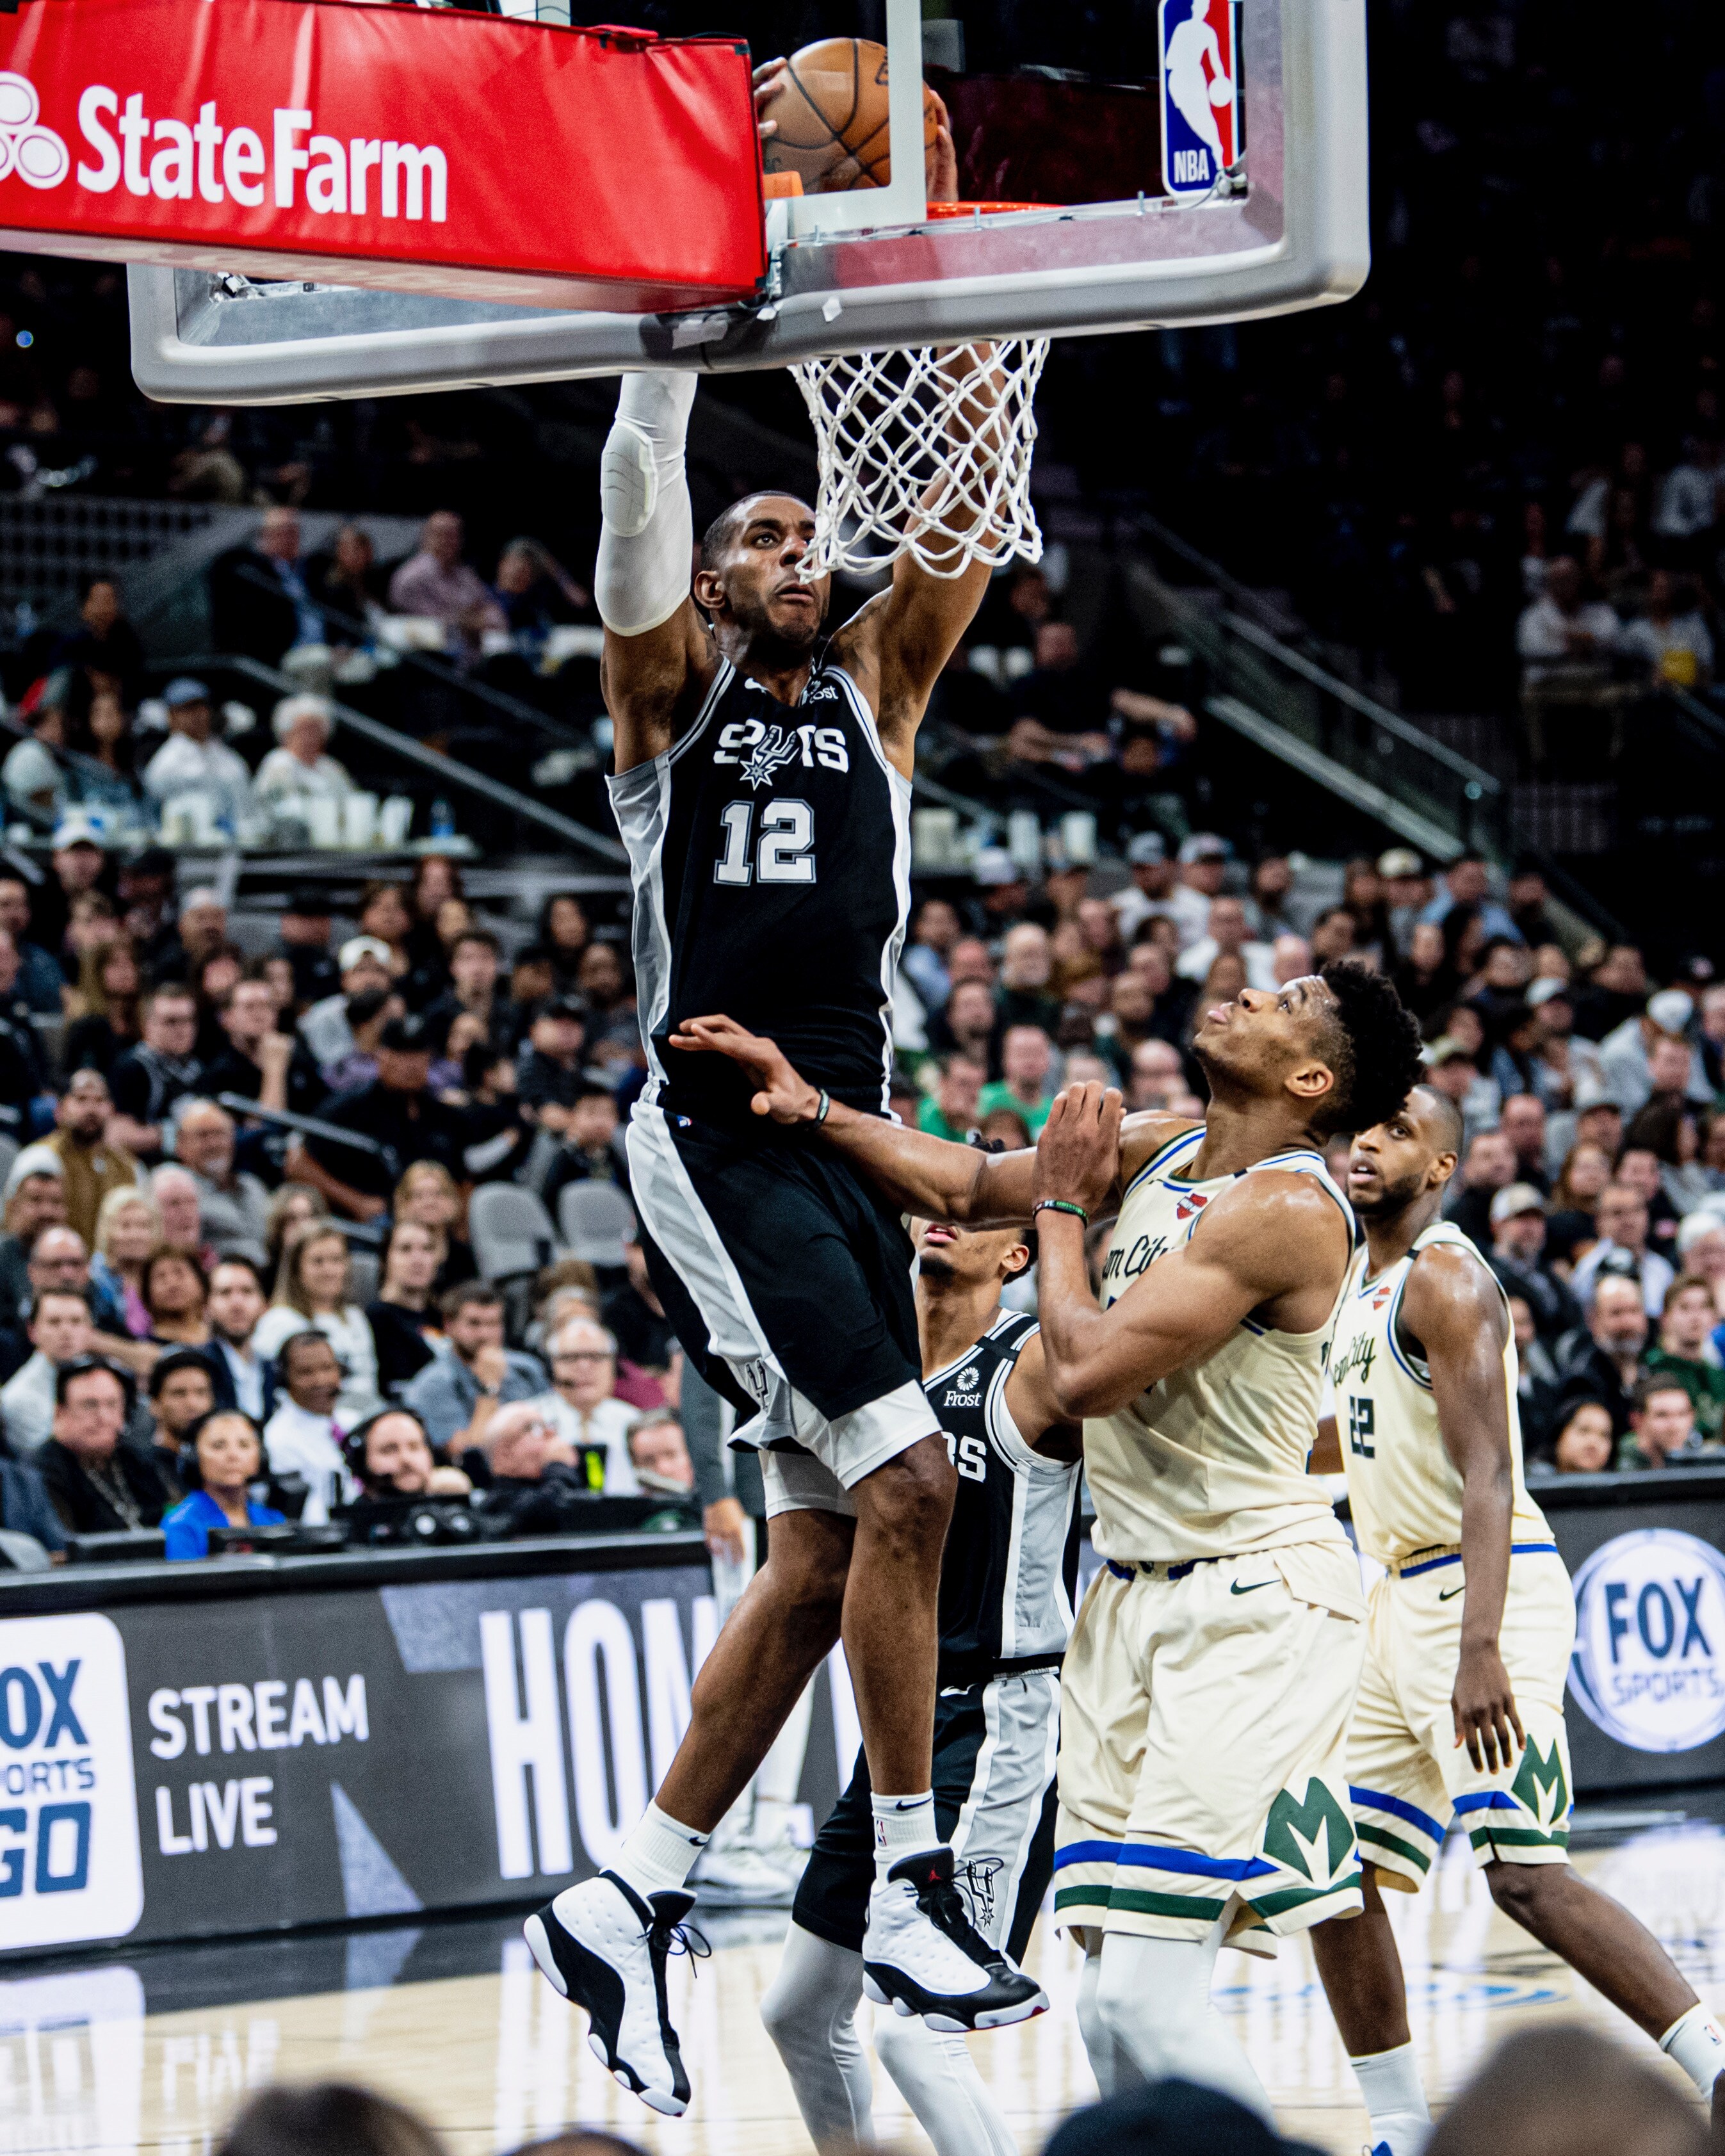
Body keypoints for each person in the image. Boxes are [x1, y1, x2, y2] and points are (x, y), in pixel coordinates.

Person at [528, 342, 1050, 2106]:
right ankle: (909, 1880)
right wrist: (656, 370)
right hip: (711, 1137)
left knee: (824, 1559)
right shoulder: (664, 701)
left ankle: (627, 1891)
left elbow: (962, 530)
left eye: (811, 532)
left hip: (843, 1145)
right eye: (762, 535)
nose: (798, 550)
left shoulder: (875, 690)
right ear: (707, 582)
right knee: (910, 1476)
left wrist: (973, 379)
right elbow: (631, 527)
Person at [680, 957, 1427, 2119]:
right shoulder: (1166, 1143)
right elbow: (969, 1181)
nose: (1243, 994)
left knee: (1143, 2004)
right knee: (1106, 2009)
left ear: (1308, 1079)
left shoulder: (1285, 1208)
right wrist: (811, 1105)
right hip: (1126, 1603)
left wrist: (1066, 1209)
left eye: (1281, 1004)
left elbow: (1081, 1372)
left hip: (1252, 1603)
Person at [1299, 1084, 1725, 2152]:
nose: (1366, 1144)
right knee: (1329, 1866)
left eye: (1396, 1131)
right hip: (1390, 1595)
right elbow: (1354, 1436)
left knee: (1523, 1875)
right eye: (1363, 1126)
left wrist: (1478, 1647)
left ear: (1441, 1166)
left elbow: (1486, 1472)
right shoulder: (1359, 1278)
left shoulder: (1444, 1276)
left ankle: (1714, 2067)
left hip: (1476, 1588)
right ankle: (1396, 2127)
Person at [761, 1213, 1080, 2156]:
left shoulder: (1035, 1360)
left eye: (980, 1208)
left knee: (915, 2029)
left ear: (1015, 1254)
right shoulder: (876, 1368)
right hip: (898, 1724)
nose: (947, 1211)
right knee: (796, 2011)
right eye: (935, 1194)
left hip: (1000, 1717)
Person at [288, 1018, 466, 1220]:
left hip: (433, 1220)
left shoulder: (444, 1114)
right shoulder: (348, 1109)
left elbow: (463, 1178)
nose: (410, 1064)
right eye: (401, 1054)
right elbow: (298, 1164)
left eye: (418, 1054)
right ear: (381, 1056)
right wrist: (356, 1202)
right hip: (370, 1224)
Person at [254, 1225, 382, 1423]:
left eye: (336, 1260)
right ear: (297, 1269)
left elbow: (369, 1380)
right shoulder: (279, 1321)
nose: (328, 1270)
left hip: (367, 1418)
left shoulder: (355, 1317)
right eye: (318, 1261)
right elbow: (271, 1391)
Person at [401, 1282, 544, 1455]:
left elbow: (552, 1430)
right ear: (449, 1325)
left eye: (493, 1324)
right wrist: (489, 1388)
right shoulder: (431, 1385)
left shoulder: (528, 1368)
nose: (484, 1334)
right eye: (474, 1324)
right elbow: (470, 1455)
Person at [37, 1356, 167, 1536]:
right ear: (60, 1413)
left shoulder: (137, 1462)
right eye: (90, 1405)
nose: (103, 1417)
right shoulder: (42, 1473)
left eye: (112, 1404)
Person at [526, 1317, 638, 1492]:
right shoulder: (529, 1421)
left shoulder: (633, 1421)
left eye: (596, 1357)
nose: (584, 1367)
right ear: (552, 1366)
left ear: (613, 1365)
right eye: (571, 1358)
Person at [161, 1409, 285, 1560]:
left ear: (261, 1456)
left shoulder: (274, 1520)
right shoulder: (182, 1525)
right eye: (218, 1446)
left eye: (244, 1445)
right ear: (193, 1457)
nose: (233, 1455)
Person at [387, 511, 507, 664]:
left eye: (454, 535)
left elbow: (496, 616)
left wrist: (474, 620)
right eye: (441, 534)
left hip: (473, 661)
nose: (448, 541)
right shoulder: (411, 578)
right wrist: (467, 620)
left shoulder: (466, 575)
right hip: (429, 663)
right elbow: (431, 627)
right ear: (425, 537)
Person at [141, 677, 256, 835]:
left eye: (202, 707)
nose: (197, 715)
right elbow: (153, 816)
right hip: (186, 846)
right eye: (188, 709)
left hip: (233, 842)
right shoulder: (165, 762)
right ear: (172, 716)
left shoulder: (227, 756)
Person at [261, 1331, 353, 1523]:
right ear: (285, 1378)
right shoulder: (279, 1440)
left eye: (327, 1368)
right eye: (306, 1372)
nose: (320, 1381)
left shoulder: (352, 1421)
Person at [108, 985, 204, 1167]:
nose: (182, 1029)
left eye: (188, 1021)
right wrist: (178, 1135)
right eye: (171, 1022)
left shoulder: (198, 1068)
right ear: (147, 1025)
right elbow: (117, 1137)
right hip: (149, 1170)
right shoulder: (132, 1068)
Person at [42, 1068, 138, 1245]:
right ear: (60, 1110)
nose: (91, 1109)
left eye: (100, 1100)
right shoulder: (44, 1159)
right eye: (81, 1099)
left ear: (112, 1110)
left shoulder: (124, 1165)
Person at [0, 1286, 95, 1457]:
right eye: (54, 1322)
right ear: (32, 1331)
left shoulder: (109, 1378)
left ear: (90, 1329)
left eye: (76, 1321)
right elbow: (48, 1462)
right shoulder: (19, 1399)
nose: (66, 1332)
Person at [366, 1219, 446, 1395]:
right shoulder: (375, 1318)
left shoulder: (442, 1316)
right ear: (385, 1260)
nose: (418, 1260)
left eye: (427, 1249)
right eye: (405, 1249)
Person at [206, 1256, 279, 1425]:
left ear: (265, 1304)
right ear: (206, 1306)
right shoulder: (199, 1366)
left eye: (247, 1292)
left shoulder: (276, 1369)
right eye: (225, 1293)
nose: (237, 1304)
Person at [346, 1406, 472, 1499]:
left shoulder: (454, 1505)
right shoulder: (348, 1523)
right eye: (389, 1450)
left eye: (414, 1447)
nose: (406, 1459)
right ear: (361, 1462)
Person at [254, 695, 353, 811]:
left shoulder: (331, 767)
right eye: (303, 730)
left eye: (316, 731)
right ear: (287, 733)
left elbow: (351, 802)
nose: (309, 737)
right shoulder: (279, 763)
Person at [90, 1185, 160, 1340]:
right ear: (107, 1232)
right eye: (126, 1226)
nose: (135, 1235)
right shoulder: (93, 1281)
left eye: (143, 1226)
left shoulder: (161, 1277)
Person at [144, 1346, 216, 1494]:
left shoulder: (226, 1466)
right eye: (179, 1393)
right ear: (155, 1404)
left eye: (201, 1392)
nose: (192, 1404)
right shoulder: (141, 1467)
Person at [976, 1025, 1058, 1139]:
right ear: (1005, 1059)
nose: (1030, 1061)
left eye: (1037, 1054)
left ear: (1048, 1060)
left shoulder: (1055, 1110)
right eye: (1022, 1054)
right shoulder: (985, 1099)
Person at [1618, 1374, 1704, 1471]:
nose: (1674, 1427)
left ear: (1692, 1417)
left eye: (1682, 1414)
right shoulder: (1625, 1472)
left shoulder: (1699, 1464)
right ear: (1638, 1421)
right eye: (1662, 1415)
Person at [142, 1246, 213, 1349]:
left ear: (201, 1283)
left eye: (179, 1273)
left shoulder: (223, 1340)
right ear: (147, 1292)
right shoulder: (141, 1348)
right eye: (161, 1277)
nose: (172, 1284)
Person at [1547, 1397, 1615, 1473]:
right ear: (1559, 1434)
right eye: (1584, 1430)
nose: (1593, 1443)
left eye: (1604, 1435)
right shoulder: (1537, 1477)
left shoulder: (1620, 1480)